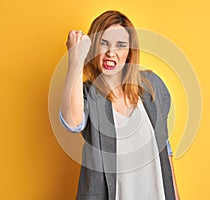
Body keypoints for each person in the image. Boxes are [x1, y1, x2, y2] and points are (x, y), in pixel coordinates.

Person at [59, 10, 180, 200]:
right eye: (104, 43)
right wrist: (75, 58)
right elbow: (73, 122)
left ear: (129, 53)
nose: (110, 53)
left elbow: (166, 151)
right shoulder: (87, 94)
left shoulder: (153, 86)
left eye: (120, 45)